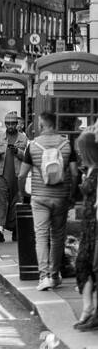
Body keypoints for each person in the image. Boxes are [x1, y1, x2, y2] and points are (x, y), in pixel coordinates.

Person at [21, 111, 74, 293]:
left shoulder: (33, 146)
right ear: (55, 124)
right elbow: (74, 174)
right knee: (58, 237)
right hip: (61, 196)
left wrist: (24, 193)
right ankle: (54, 274)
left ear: (42, 125)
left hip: (39, 197)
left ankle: (43, 277)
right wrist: (71, 194)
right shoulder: (66, 145)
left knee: (41, 236)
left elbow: (22, 174)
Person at [72, 131, 98, 331]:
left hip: (95, 226)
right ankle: (88, 307)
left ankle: (90, 310)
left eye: (81, 148)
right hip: (88, 225)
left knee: (92, 267)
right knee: (82, 265)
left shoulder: (96, 171)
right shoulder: (88, 169)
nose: (79, 152)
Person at [0, 112, 26, 242]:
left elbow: (27, 156)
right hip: (0, 174)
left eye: (13, 124)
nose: (10, 126)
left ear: (17, 124)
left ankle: (16, 229)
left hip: (18, 175)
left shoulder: (23, 138)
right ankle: (0, 231)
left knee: (16, 203)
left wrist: (17, 151)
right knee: (1, 202)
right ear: (5, 124)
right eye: (8, 123)